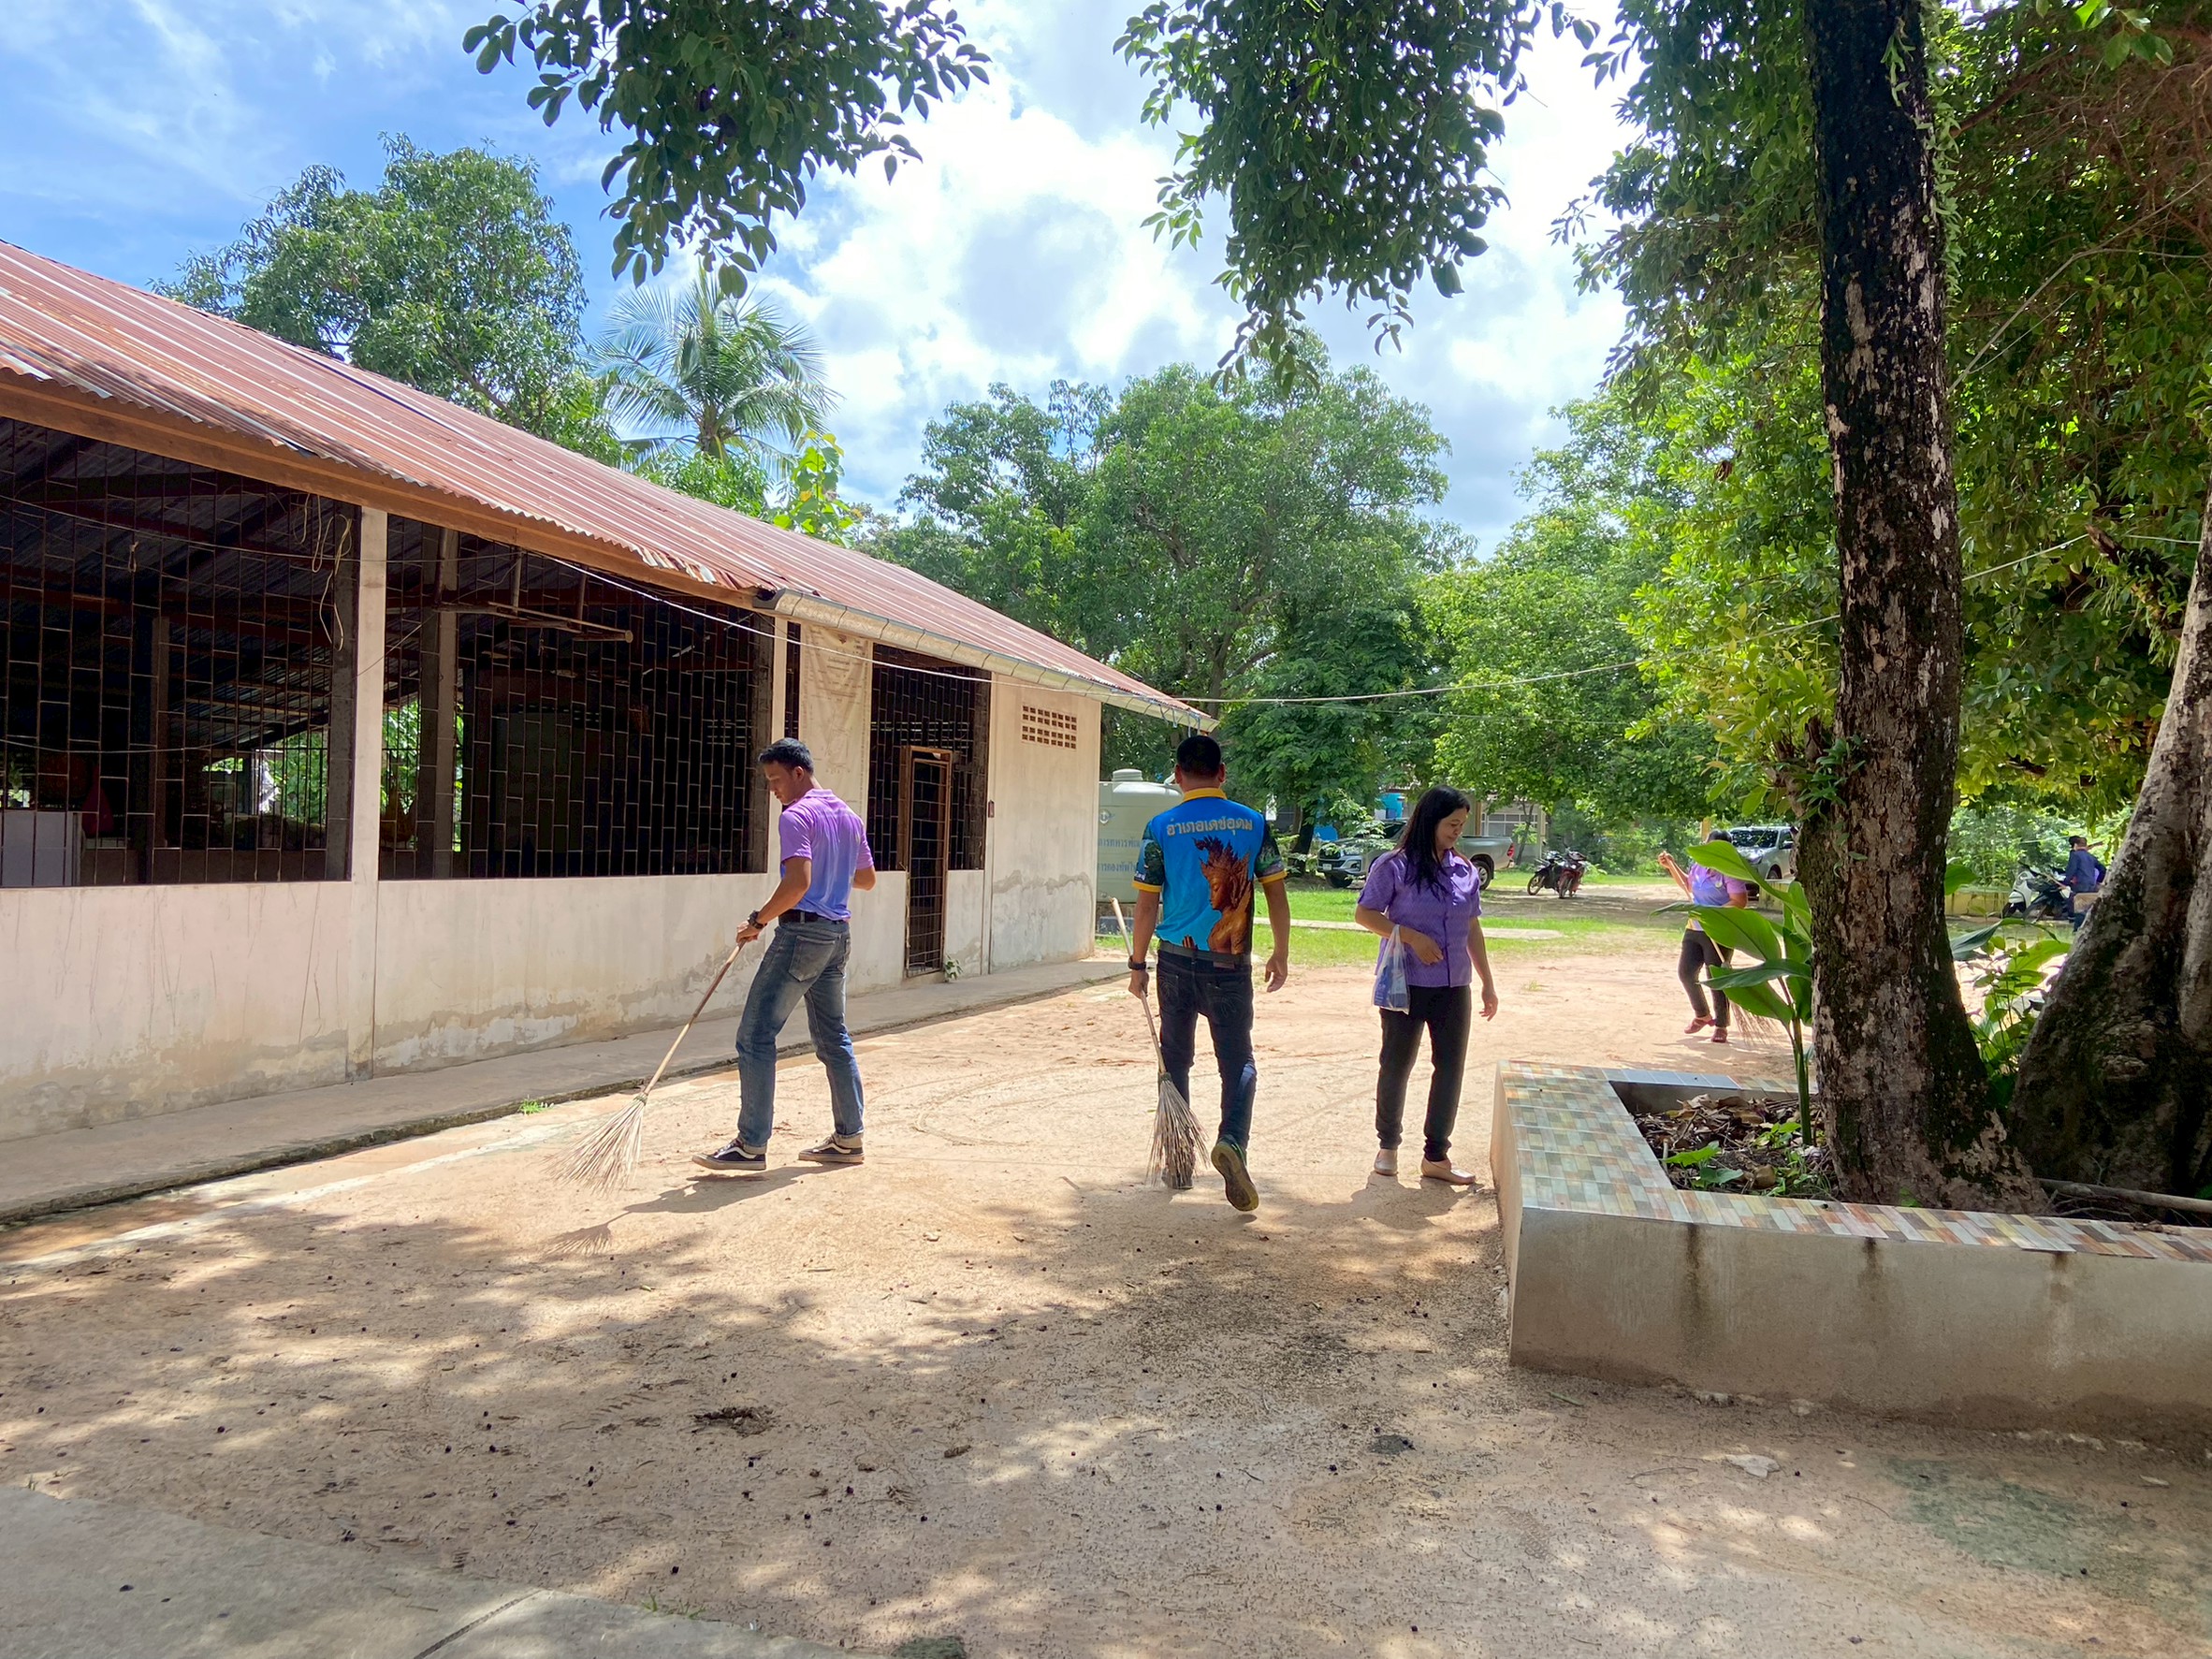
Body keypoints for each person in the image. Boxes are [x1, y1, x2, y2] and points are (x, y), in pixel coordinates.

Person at [695, 738, 878, 1173]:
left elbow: (797, 883)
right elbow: (867, 879)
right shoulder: (848, 817)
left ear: (799, 772)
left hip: (802, 935)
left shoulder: (796, 816)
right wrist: (832, 874)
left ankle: (751, 1145)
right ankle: (849, 1138)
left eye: (776, 780)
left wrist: (757, 921)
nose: (774, 790)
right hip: (837, 937)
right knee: (834, 1037)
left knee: (755, 1035)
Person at [1127, 733, 1291, 1213]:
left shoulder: (1160, 827)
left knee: (1175, 1059)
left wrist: (1137, 964)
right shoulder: (1254, 823)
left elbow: (1145, 904)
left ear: (1178, 775)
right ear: (1222, 773)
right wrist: (1280, 953)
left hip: (1175, 962)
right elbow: (1277, 894)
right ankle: (1232, 1141)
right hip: (1229, 966)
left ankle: (1178, 1161)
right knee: (1238, 1061)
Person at [1352, 786, 1499, 1185]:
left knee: (1450, 1069)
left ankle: (1436, 1156)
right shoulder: (1394, 866)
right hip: (1406, 984)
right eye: (1452, 824)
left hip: (1454, 986)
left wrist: (1487, 982)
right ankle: (1388, 1146)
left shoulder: (1465, 871)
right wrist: (1411, 936)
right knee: (1396, 1065)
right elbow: (1365, 914)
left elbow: (1472, 928)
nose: (1457, 831)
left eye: (1461, 824)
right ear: (1430, 821)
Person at [1658, 840, 1752, 1044]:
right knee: (1686, 972)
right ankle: (1702, 1015)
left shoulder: (1729, 872)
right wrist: (1671, 866)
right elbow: (1688, 885)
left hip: (1719, 931)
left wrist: (1711, 914)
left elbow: (1739, 901)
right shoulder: (1698, 866)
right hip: (1694, 928)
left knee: (1716, 977)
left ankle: (1721, 1025)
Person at [2063, 834, 2107, 933]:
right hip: (2092, 885)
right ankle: (2087, 928)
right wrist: (2098, 881)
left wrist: (2066, 882)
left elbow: (2071, 870)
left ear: (2075, 845)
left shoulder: (2075, 855)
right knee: (2088, 906)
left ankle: (2078, 929)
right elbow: (2103, 869)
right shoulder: (2091, 857)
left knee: (2079, 906)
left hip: (2080, 884)